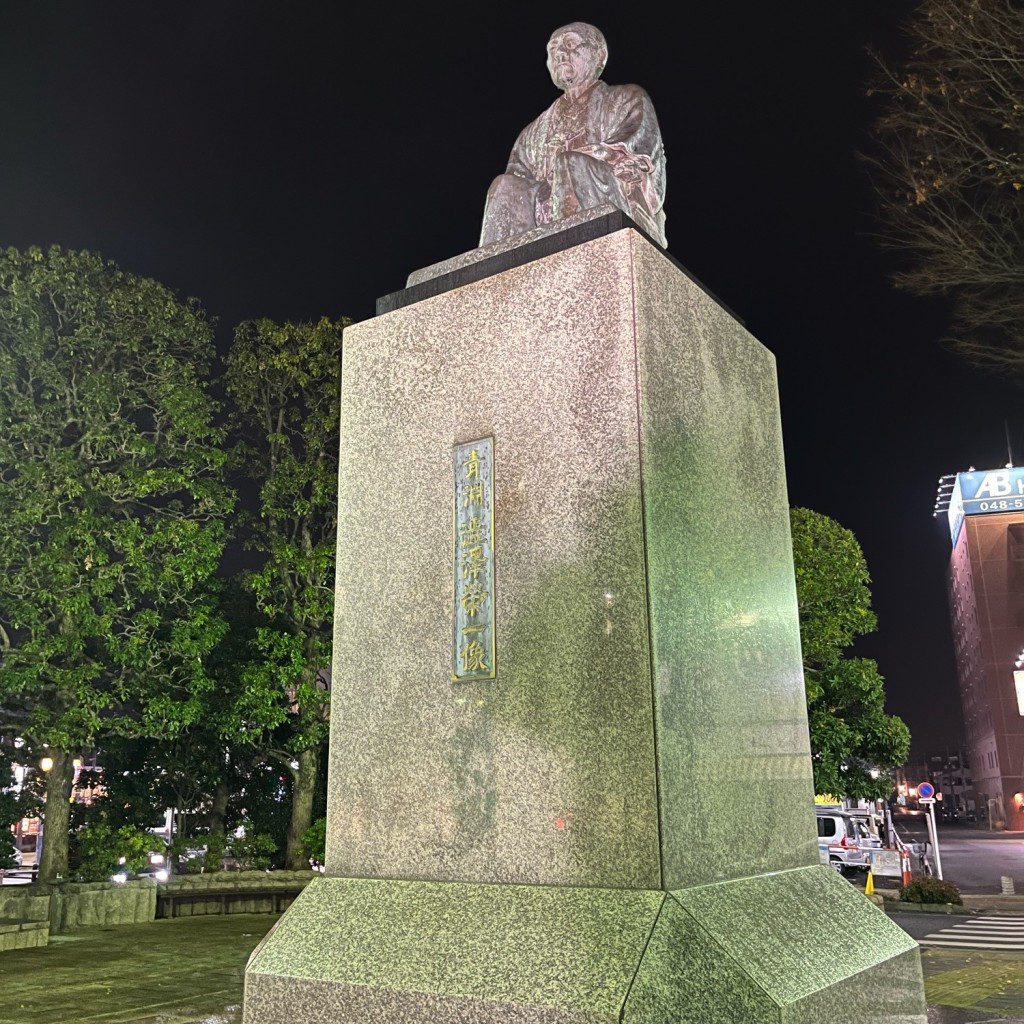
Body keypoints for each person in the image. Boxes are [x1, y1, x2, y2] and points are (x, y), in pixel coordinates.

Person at [480, 23, 667, 249]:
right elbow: (519, 175)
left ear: (600, 55)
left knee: (570, 164)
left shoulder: (626, 98)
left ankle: (577, 252)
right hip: (544, 210)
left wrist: (591, 158)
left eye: (570, 44)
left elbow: (635, 148)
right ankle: (499, 272)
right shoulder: (535, 130)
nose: (560, 53)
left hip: (604, 194)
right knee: (504, 186)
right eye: (553, 49)